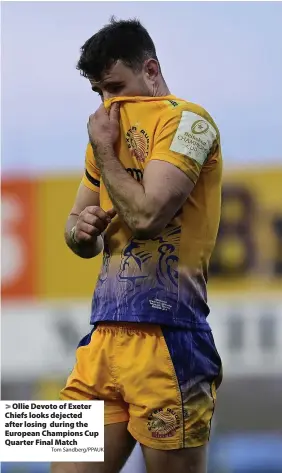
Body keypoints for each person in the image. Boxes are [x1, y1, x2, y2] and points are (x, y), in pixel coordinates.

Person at [51, 18, 222, 473]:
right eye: (99, 93)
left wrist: (105, 151)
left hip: (167, 337)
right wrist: (82, 233)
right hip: (101, 337)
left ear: (151, 70)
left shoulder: (188, 121)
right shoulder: (104, 138)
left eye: (115, 86)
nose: (109, 103)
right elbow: (74, 231)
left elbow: (147, 217)